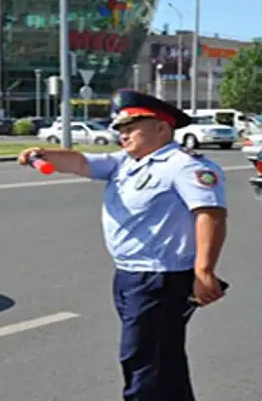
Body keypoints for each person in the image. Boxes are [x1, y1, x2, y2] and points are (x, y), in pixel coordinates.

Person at [18, 89, 228, 400]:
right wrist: (44, 154)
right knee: (160, 360)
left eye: (131, 129)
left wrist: (203, 271)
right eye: (120, 130)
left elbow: (210, 216)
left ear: (161, 127)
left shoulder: (184, 165)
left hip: (160, 278)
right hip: (130, 275)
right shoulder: (125, 163)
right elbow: (79, 162)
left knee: (144, 363)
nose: (123, 136)